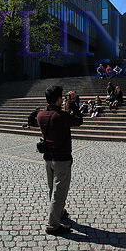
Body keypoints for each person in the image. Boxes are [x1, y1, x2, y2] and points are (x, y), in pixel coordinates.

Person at [36, 85, 82, 235]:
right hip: (61, 159)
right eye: (62, 97)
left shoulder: (41, 115)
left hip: (48, 158)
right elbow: (78, 120)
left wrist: (64, 106)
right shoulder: (61, 116)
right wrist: (73, 102)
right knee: (60, 192)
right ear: (57, 99)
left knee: (53, 189)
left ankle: (59, 212)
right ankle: (53, 225)